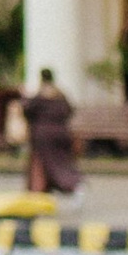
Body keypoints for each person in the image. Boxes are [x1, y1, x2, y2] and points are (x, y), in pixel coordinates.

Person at [21, 67, 81, 200]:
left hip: (43, 136)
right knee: (63, 162)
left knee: (44, 163)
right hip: (62, 133)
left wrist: (24, 96)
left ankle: (40, 191)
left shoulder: (40, 94)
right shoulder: (60, 94)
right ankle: (74, 185)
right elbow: (69, 110)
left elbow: (27, 110)